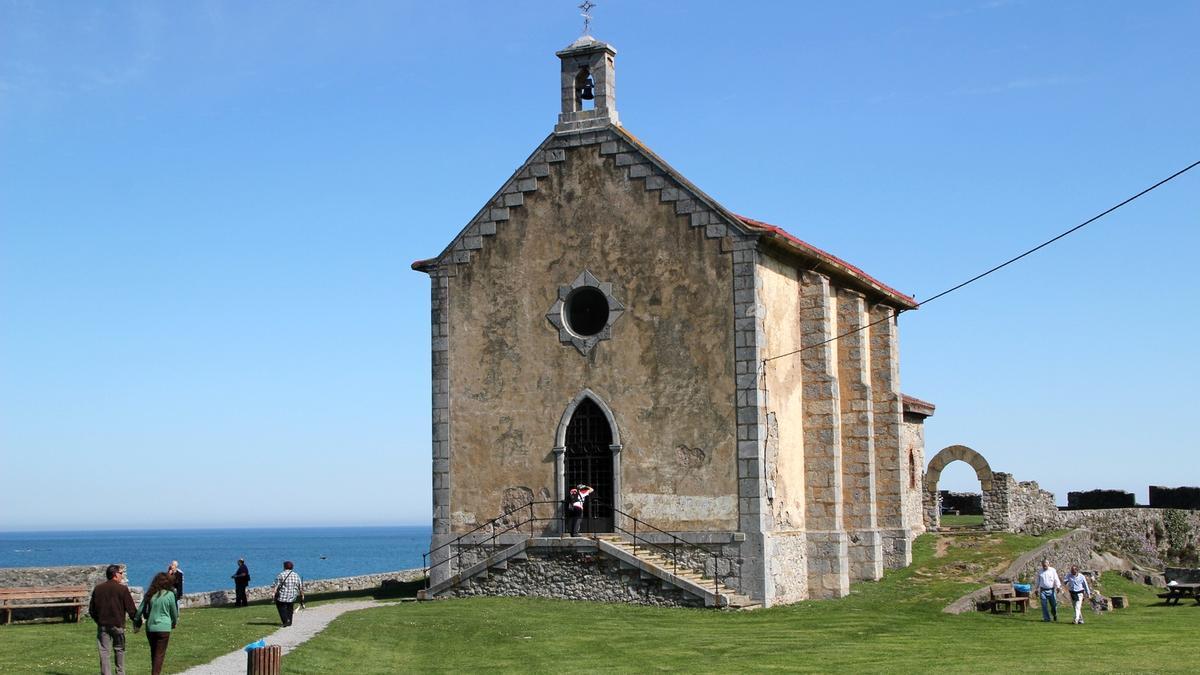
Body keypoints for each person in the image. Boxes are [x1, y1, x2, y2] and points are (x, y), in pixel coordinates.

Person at [88, 564, 138, 675]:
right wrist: (136, 621)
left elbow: (91, 610)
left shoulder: (98, 589)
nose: (122, 575)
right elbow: (131, 609)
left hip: (103, 626)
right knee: (119, 650)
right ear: (115, 574)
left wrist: (99, 621)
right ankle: (120, 673)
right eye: (121, 573)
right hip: (117, 624)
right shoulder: (122, 589)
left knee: (104, 652)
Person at [134, 572, 179, 675]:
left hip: (150, 627)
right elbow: (174, 612)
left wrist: (137, 622)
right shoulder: (170, 595)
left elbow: (139, 611)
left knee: (154, 652)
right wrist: (174, 623)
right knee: (160, 654)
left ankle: (154, 672)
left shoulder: (150, 594)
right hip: (164, 627)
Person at [271, 561, 304, 627]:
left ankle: (285, 621)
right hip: (292, 596)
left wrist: (273, 593)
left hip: (283, 596)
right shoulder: (296, 575)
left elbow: (276, 585)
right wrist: (302, 596)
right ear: (292, 567)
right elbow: (300, 586)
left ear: (284, 567)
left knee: (281, 607)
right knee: (290, 608)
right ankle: (289, 622)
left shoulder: (281, 575)